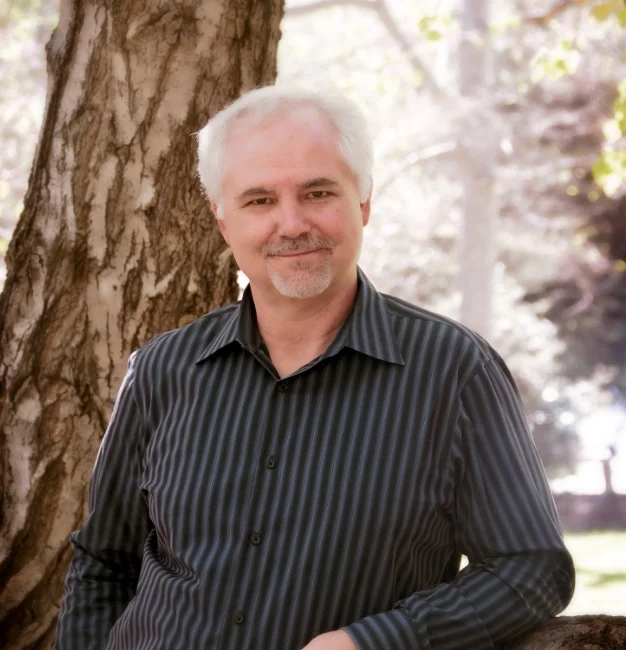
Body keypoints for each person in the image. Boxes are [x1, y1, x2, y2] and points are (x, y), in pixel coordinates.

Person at [55, 86, 574, 650]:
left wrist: (375, 643)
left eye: (318, 192)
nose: (292, 223)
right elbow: (103, 565)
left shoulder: (454, 370)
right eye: (259, 200)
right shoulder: (162, 370)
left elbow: (532, 568)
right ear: (223, 220)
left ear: (364, 201)